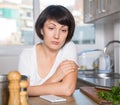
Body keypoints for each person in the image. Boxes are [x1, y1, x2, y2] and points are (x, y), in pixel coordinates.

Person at [18, 5, 78, 96]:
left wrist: (31, 90)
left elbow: (67, 89)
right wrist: (55, 77)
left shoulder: (69, 47)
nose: (57, 36)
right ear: (42, 30)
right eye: (51, 28)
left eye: (63, 30)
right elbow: (23, 92)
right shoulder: (27, 55)